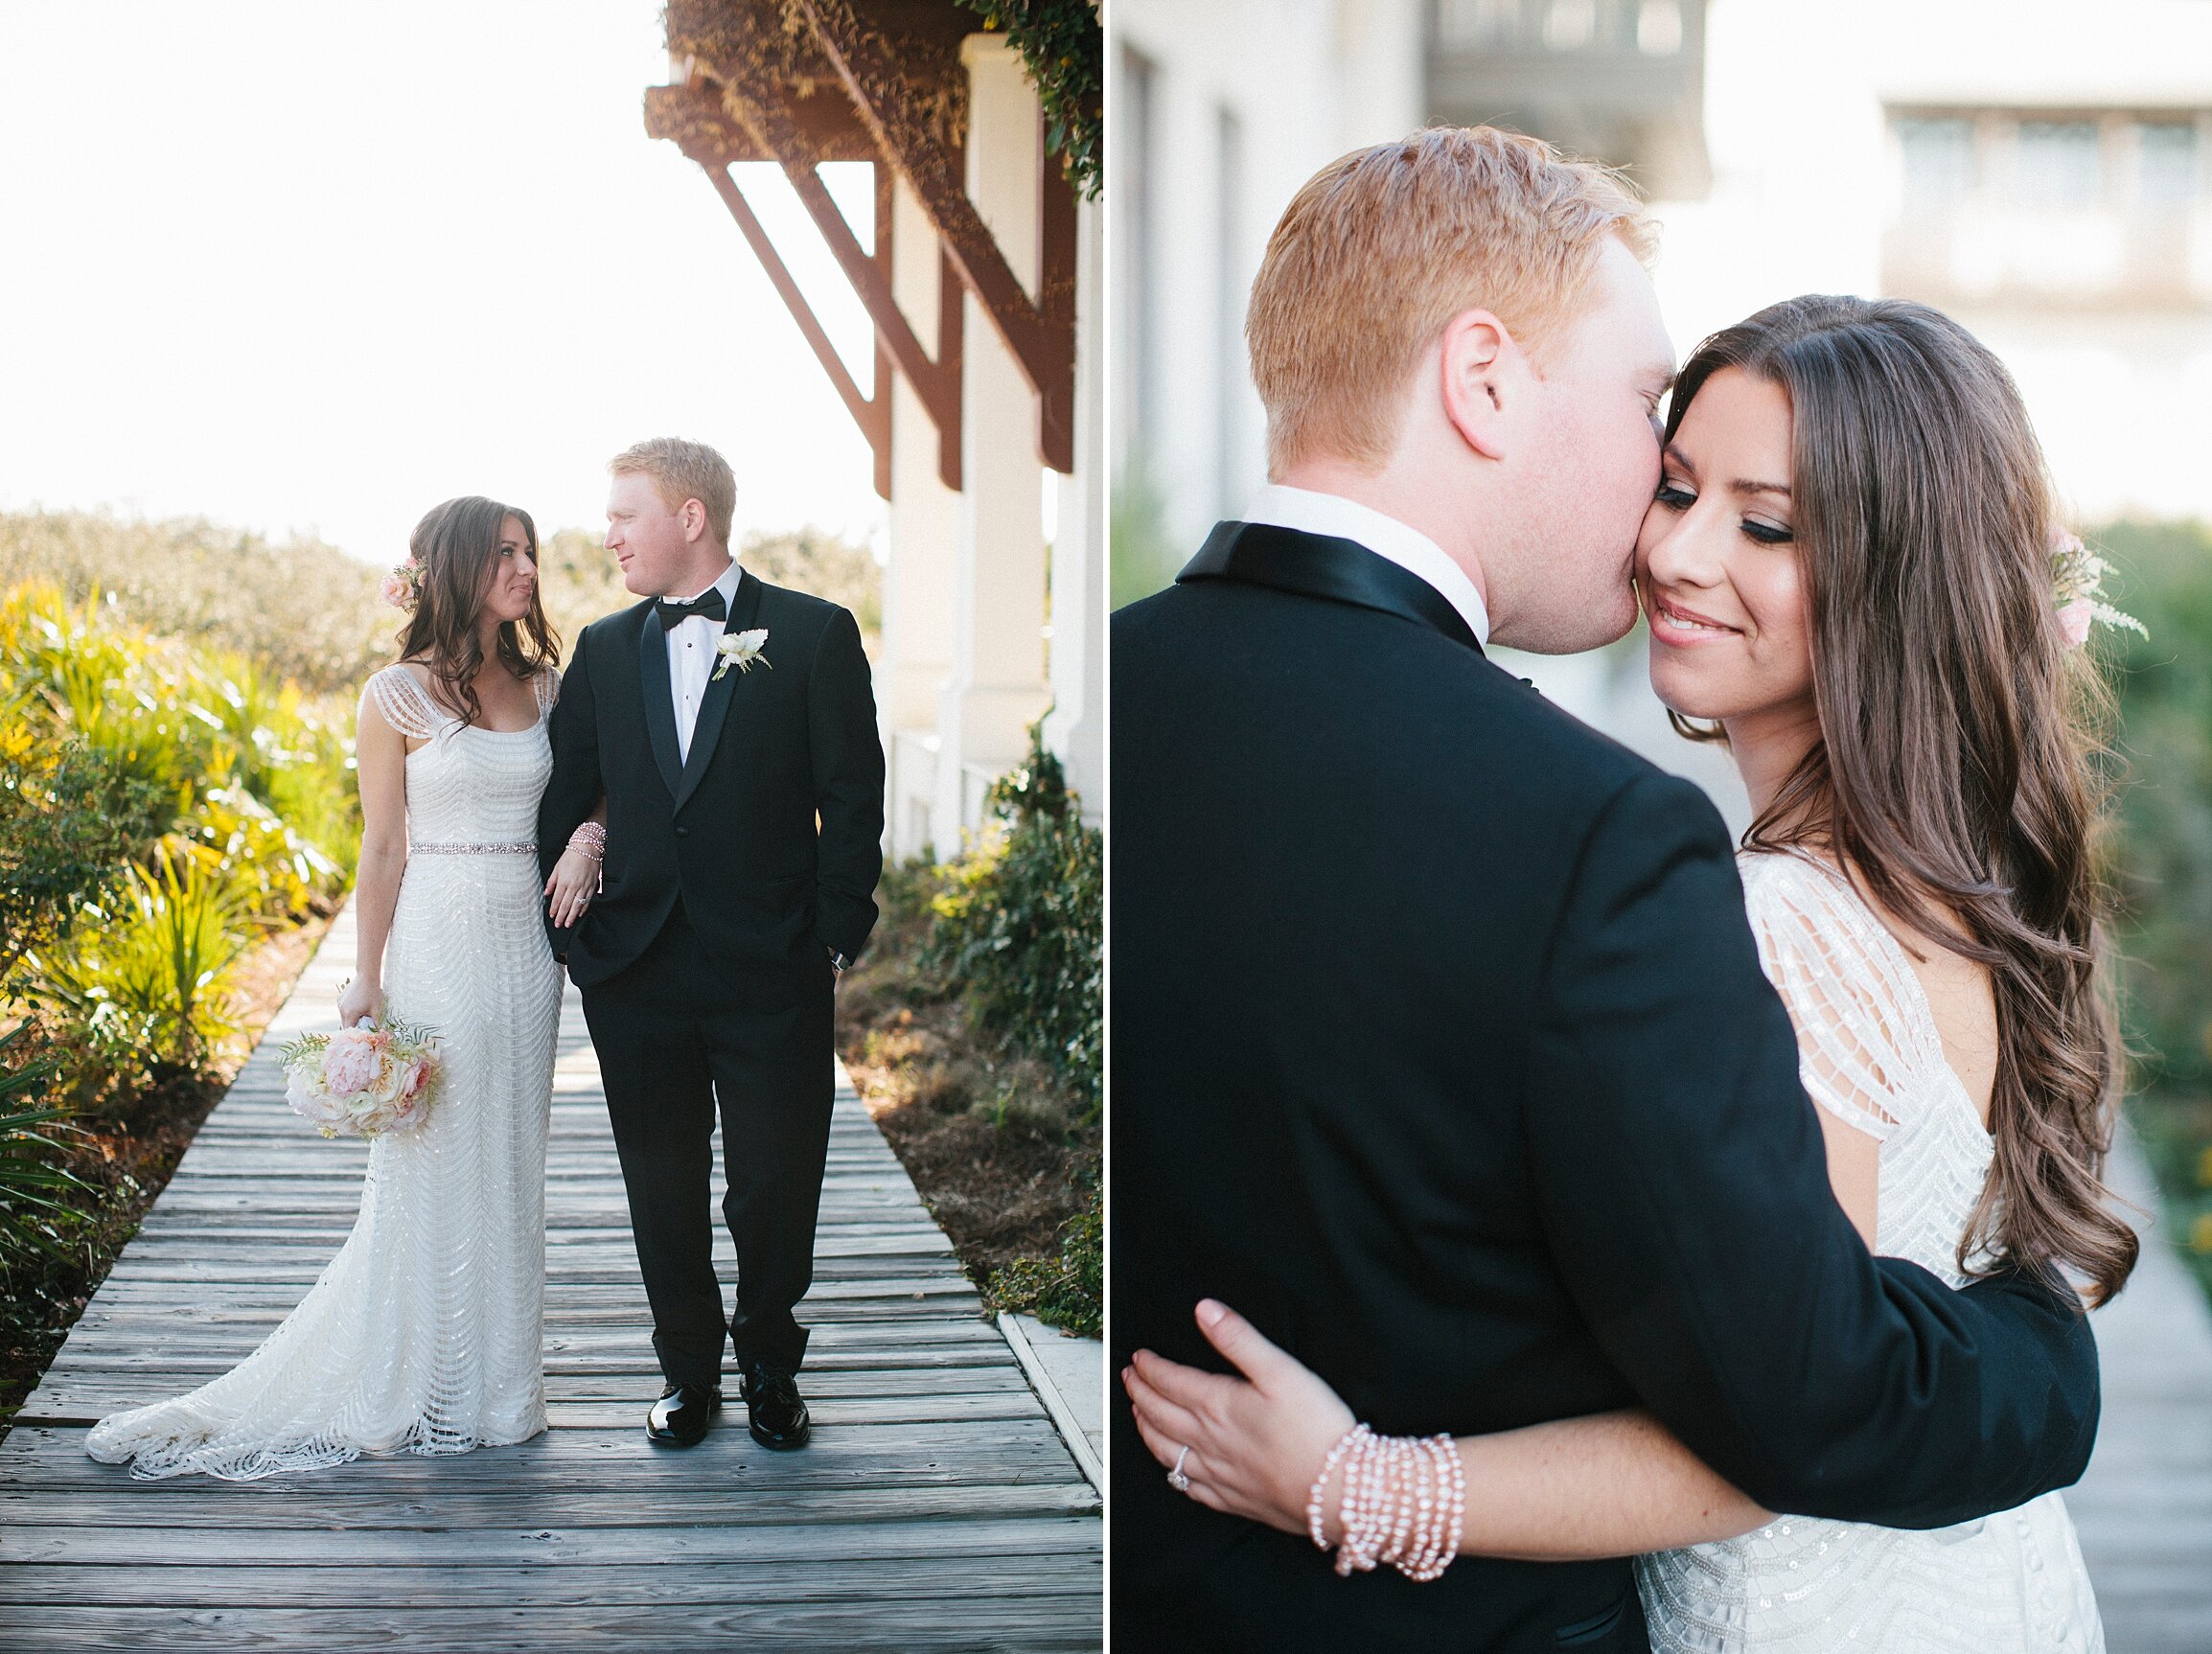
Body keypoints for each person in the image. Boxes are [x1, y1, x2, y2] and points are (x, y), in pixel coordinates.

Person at [1110, 127, 2103, 1652]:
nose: (1670, 528)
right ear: (1484, 378)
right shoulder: (1620, 837)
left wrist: (1366, 1481)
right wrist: (2045, 1349)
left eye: (1762, 519)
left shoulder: (1111, 692)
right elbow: (1813, 1384)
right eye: (1666, 441)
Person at [86, 495, 596, 1479]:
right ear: (455, 568)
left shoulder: (550, 687)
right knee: (433, 1163)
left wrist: (589, 834)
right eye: (503, 553)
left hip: (529, 953)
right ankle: (422, 1383)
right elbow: (382, 845)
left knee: (510, 1155)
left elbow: (591, 794)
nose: (526, 568)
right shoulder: (392, 696)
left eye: (530, 551)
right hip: (438, 942)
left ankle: (501, 1390)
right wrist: (365, 976)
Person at [537, 437, 884, 1452]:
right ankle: (686, 1371)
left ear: (690, 517)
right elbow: (567, 795)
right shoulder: (603, 650)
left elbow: (850, 798)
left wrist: (832, 931)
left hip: (773, 966)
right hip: (637, 969)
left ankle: (770, 1362)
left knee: (777, 1180)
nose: (609, 536)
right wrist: (580, 914)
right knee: (661, 1181)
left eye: (626, 516)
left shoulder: (815, 634)